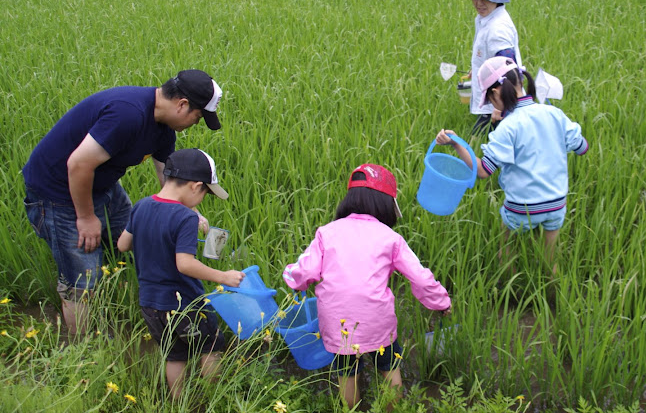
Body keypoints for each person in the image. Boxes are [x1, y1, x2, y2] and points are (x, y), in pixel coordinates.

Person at [22, 69, 224, 335]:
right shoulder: (127, 114)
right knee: (82, 279)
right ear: (182, 104)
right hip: (58, 192)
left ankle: (120, 311)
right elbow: (78, 164)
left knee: (135, 240)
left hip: (102, 185)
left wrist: (192, 213)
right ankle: (81, 353)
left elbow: (171, 178)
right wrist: (86, 217)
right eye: (198, 117)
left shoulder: (163, 129)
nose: (196, 124)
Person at [282, 164, 451, 410]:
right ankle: (394, 409)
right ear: (385, 203)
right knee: (389, 368)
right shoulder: (390, 238)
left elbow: (304, 272)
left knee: (346, 373)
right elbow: (421, 277)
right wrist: (441, 302)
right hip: (377, 320)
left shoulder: (327, 232)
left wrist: (292, 280)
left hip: (338, 322)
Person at [436, 57, 588, 275]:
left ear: (496, 93)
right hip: (556, 204)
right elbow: (582, 147)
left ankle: (509, 287)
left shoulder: (508, 128)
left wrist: (456, 144)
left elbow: (482, 171)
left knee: (505, 251)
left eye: (490, 100)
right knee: (551, 258)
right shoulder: (553, 113)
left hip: (522, 206)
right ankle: (554, 293)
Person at [117, 148, 244, 400]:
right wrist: (223, 276)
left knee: (175, 354)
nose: (203, 200)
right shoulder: (185, 216)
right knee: (210, 346)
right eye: (206, 193)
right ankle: (214, 396)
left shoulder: (142, 206)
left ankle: (179, 401)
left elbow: (123, 244)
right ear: (196, 186)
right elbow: (184, 264)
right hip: (184, 303)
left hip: (151, 305)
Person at [458, 0, 524, 136]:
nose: (478, 3)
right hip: (493, 99)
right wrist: (480, 70)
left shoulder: (498, 29)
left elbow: (508, 69)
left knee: (480, 146)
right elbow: (491, 57)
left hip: (498, 103)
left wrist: (500, 107)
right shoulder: (486, 18)